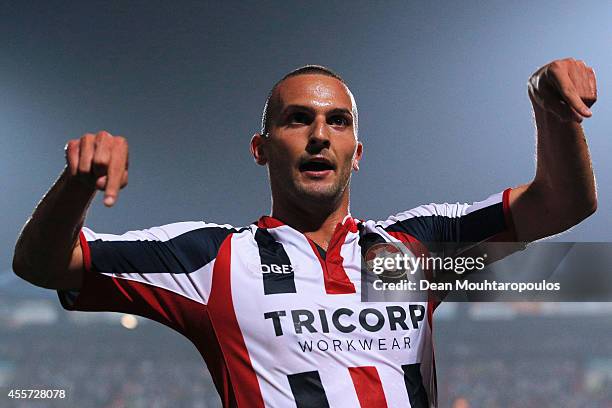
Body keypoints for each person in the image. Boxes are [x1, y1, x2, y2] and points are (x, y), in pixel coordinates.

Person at [13, 59, 597, 407]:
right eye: (298, 119)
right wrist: (77, 186)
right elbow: (43, 264)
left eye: (336, 121)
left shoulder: (408, 254)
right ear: (261, 149)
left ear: (356, 153)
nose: (319, 133)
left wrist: (554, 110)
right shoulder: (209, 259)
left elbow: (564, 203)